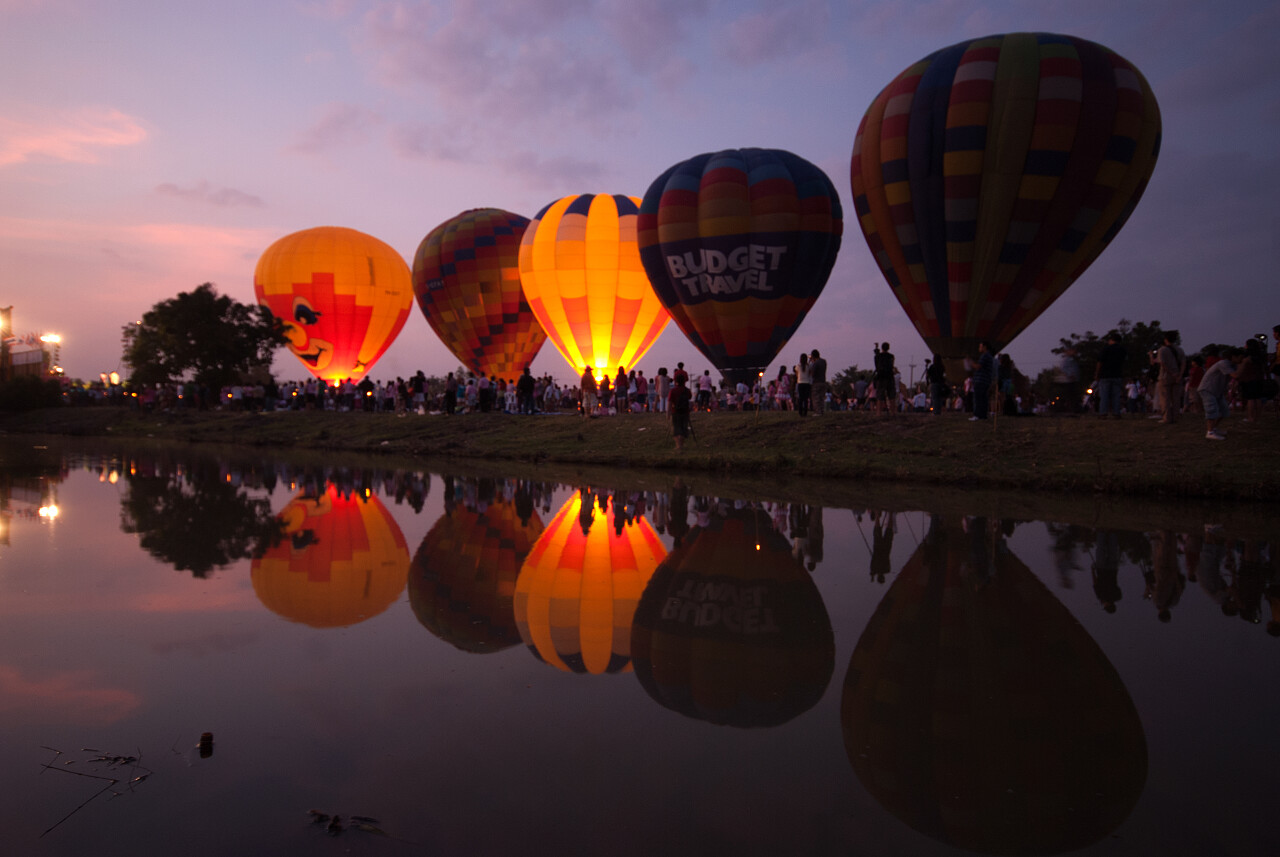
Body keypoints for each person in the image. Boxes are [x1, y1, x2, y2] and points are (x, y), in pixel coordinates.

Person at [1198, 347, 1238, 440]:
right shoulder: (1223, 363)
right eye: (1240, 357)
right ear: (1233, 356)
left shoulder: (1233, 365)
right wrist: (1245, 365)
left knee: (1224, 411)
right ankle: (1210, 432)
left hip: (1217, 390)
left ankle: (1214, 428)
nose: (1242, 359)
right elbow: (1236, 375)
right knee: (1212, 410)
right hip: (1208, 389)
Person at [1155, 331, 1185, 424]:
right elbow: (1183, 363)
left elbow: (1163, 364)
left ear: (1166, 339)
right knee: (1176, 398)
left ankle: (1166, 418)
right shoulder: (1179, 350)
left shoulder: (1162, 350)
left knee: (1165, 398)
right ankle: (1175, 417)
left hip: (1165, 376)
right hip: (1177, 375)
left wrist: (1171, 373)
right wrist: (1179, 374)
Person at [1095, 333, 1126, 418]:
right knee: (1116, 395)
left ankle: (1103, 413)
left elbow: (1100, 362)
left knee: (1104, 395)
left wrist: (1097, 374)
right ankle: (1116, 413)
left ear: (1111, 340)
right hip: (1117, 374)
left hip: (1105, 375)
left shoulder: (1106, 349)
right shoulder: (1122, 350)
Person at [970, 341, 994, 420]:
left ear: (985, 347)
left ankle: (977, 415)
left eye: (980, 346)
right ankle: (983, 415)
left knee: (978, 398)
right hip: (986, 380)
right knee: (983, 398)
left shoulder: (985, 356)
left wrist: (971, 363)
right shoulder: (989, 356)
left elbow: (978, 366)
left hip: (980, 380)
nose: (979, 348)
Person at [668, 374, 692, 452]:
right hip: (685, 412)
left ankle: (678, 446)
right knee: (683, 429)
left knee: (676, 429)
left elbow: (669, 402)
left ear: (676, 381)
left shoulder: (673, 391)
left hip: (675, 411)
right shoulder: (687, 390)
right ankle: (681, 445)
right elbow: (689, 398)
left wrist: (668, 413)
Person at [874, 342, 895, 415]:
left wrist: (876, 348)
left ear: (882, 348)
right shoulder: (891, 356)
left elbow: (876, 364)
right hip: (889, 376)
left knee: (879, 395)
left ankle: (878, 413)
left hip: (881, 377)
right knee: (891, 395)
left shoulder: (878, 357)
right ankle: (893, 412)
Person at [809, 349, 828, 415]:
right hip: (823, 381)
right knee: (821, 398)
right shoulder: (824, 361)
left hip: (816, 382)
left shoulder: (815, 363)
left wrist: (811, 363)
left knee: (816, 398)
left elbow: (813, 373)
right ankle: (822, 411)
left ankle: (817, 412)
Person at [795, 352, 812, 417]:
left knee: (800, 398)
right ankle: (805, 412)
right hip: (807, 383)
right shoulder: (808, 366)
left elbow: (796, 374)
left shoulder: (798, 366)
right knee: (806, 399)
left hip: (800, 383)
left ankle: (800, 412)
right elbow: (810, 373)